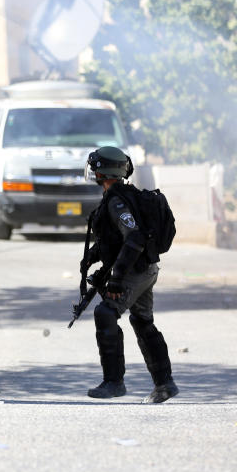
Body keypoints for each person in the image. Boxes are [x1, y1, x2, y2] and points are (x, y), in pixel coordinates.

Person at [80, 146, 178, 403]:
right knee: (142, 321)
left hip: (135, 270)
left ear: (102, 172)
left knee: (106, 313)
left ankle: (114, 382)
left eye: (95, 167)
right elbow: (115, 238)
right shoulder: (122, 195)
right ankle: (164, 384)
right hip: (146, 268)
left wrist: (117, 278)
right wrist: (92, 257)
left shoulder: (116, 201)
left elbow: (133, 237)